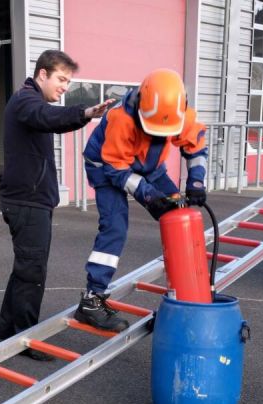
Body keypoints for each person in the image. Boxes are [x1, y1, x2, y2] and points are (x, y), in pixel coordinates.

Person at [0, 50, 113, 361]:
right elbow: (48, 118)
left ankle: (8, 330)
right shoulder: (26, 102)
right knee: (32, 272)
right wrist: (86, 113)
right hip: (27, 203)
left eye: (69, 81)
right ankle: (25, 340)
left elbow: (50, 120)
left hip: (29, 201)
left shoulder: (32, 103)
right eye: (61, 79)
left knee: (24, 269)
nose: (64, 86)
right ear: (42, 74)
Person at [75, 68, 208, 332]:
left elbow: (196, 147)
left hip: (149, 167)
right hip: (106, 166)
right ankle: (92, 300)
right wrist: (149, 196)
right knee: (115, 226)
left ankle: (184, 290)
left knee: (177, 213)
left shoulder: (180, 113)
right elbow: (116, 168)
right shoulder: (121, 119)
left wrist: (196, 181)